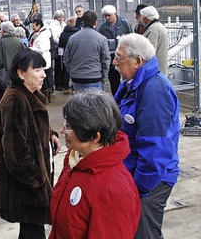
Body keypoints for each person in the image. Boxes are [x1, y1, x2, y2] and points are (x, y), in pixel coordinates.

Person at [113, 33, 180, 239]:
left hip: (150, 181)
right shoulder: (131, 83)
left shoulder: (154, 90)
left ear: (137, 61)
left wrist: (139, 188)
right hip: (134, 174)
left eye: (119, 56)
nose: (114, 61)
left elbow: (156, 147)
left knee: (144, 234)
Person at [50, 90, 140, 238]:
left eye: (69, 127)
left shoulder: (114, 190)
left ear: (95, 136)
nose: (62, 130)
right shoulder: (75, 160)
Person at [0, 49, 61, 239]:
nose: (43, 75)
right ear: (20, 73)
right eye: (38, 69)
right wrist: (38, 182)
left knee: (29, 231)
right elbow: (15, 153)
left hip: (32, 185)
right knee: (33, 231)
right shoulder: (15, 100)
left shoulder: (30, 95)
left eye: (43, 69)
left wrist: (50, 135)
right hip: (27, 188)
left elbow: (31, 127)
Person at [63, 10, 110, 92]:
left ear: (83, 21)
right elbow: (106, 60)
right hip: (94, 77)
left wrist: (72, 72)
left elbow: (66, 59)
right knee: (94, 103)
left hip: (77, 78)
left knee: (79, 102)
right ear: (95, 22)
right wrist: (104, 78)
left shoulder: (72, 38)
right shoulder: (102, 39)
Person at [97, 5, 133, 95]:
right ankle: (117, 99)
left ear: (115, 13)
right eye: (105, 16)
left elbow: (132, 39)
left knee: (128, 80)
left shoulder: (125, 24)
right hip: (111, 58)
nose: (107, 18)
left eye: (109, 15)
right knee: (114, 82)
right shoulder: (102, 28)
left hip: (125, 57)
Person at [0, 21, 26, 101]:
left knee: (5, 99)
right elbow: (25, 58)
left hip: (2, 77)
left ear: (3, 31)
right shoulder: (19, 43)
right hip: (18, 74)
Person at [28, 18, 53, 103]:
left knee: (44, 80)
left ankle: (44, 98)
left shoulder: (43, 35)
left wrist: (30, 48)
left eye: (34, 26)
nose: (32, 28)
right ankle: (47, 96)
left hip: (43, 59)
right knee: (46, 79)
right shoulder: (41, 34)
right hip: (44, 59)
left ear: (39, 25)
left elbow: (42, 49)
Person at [140, 6, 169, 75]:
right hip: (159, 67)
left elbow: (150, 51)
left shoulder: (153, 29)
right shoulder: (159, 26)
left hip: (155, 70)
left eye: (143, 18)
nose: (142, 20)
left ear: (148, 19)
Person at [57, 16, 79, 95]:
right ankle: (74, 88)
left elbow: (61, 44)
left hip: (66, 54)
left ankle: (66, 87)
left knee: (67, 71)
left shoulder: (63, 33)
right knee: (76, 71)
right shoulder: (77, 33)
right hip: (76, 54)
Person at [50, 10, 65, 92]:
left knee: (64, 66)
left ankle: (63, 82)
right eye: (59, 17)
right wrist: (61, 42)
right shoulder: (53, 25)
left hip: (63, 47)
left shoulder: (63, 24)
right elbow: (54, 37)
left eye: (62, 17)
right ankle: (58, 83)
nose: (61, 19)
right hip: (57, 48)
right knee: (58, 66)